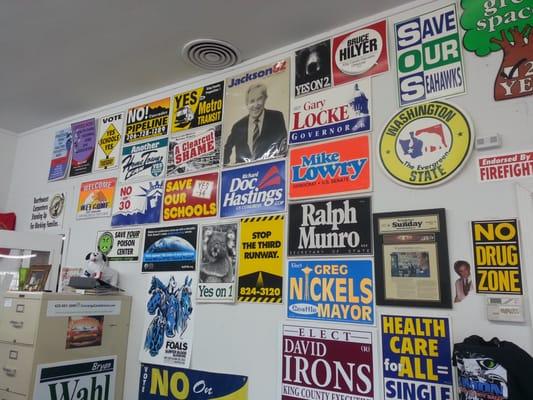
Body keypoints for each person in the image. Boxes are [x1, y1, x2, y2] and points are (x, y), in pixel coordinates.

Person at [223, 83, 287, 165]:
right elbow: (227, 148)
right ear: (247, 103)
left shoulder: (276, 117)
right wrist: (225, 167)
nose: (256, 105)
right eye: (252, 101)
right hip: (243, 172)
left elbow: (284, 143)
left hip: (270, 167)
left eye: (259, 99)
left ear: (265, 99)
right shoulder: (238, 126)